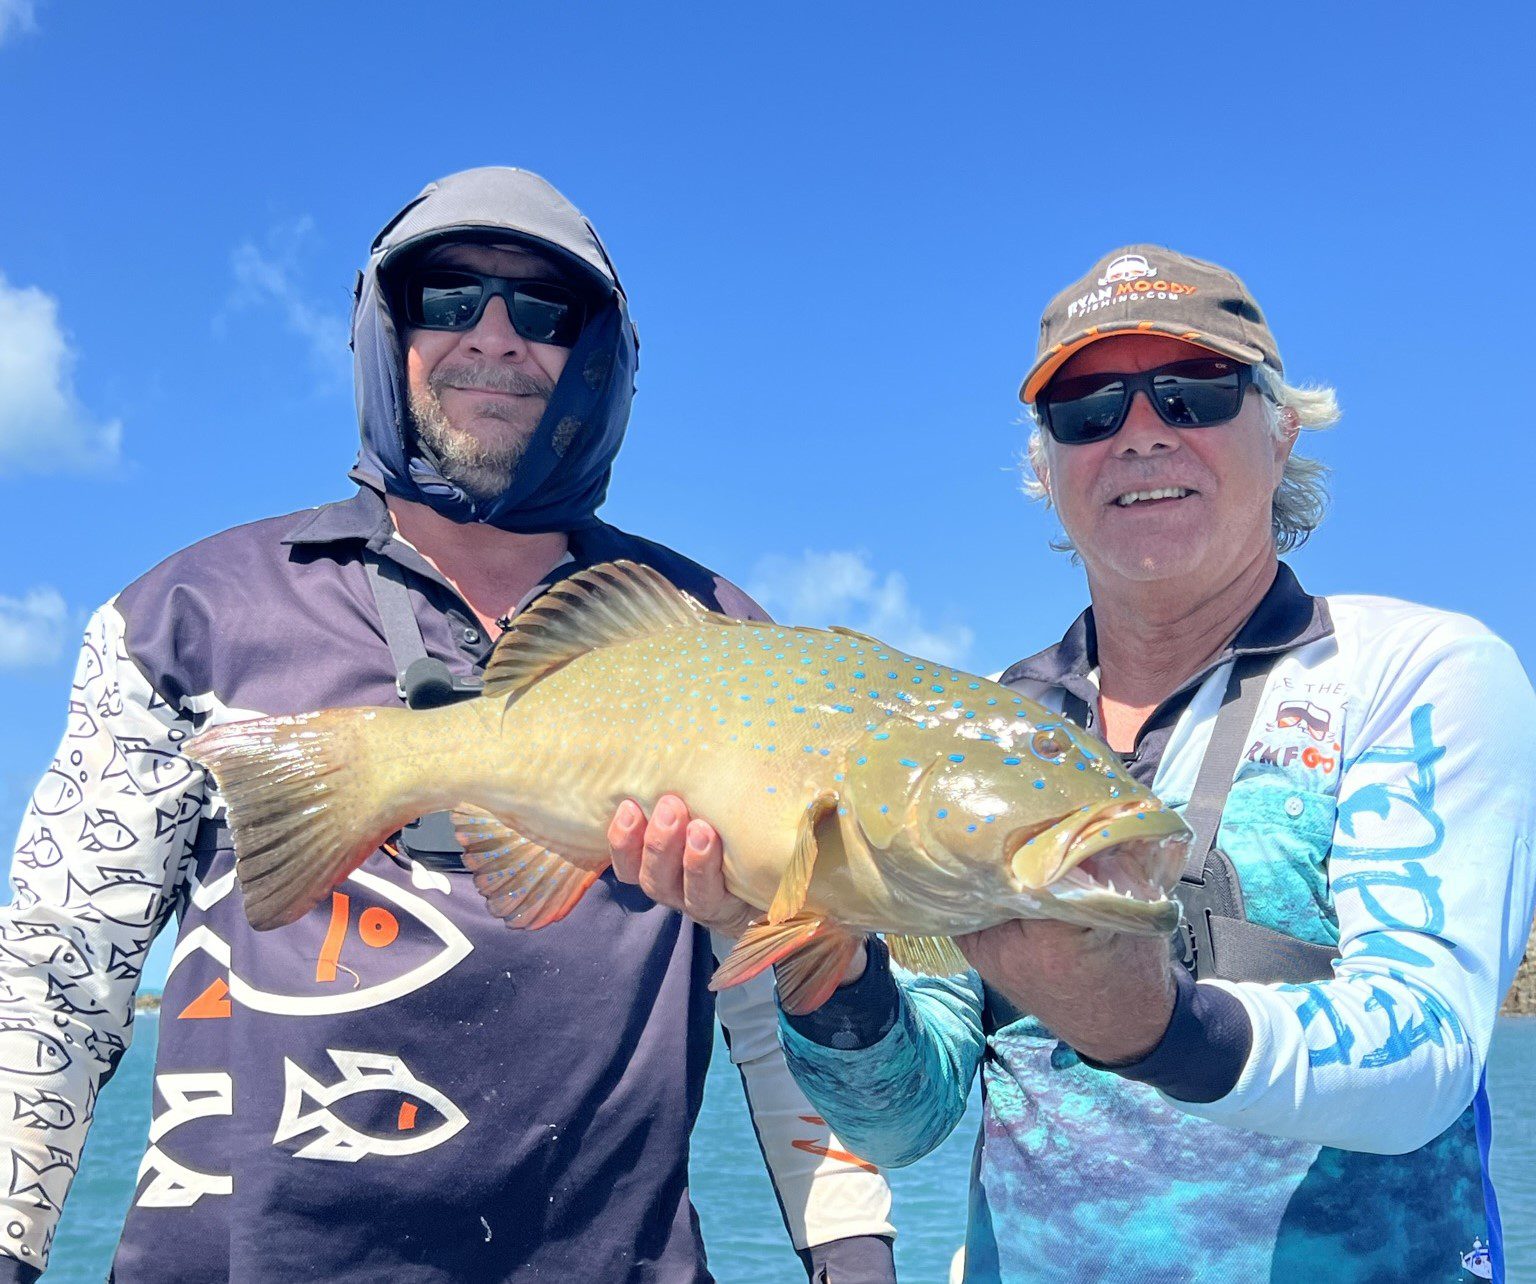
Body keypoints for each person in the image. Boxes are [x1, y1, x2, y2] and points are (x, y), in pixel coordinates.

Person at [0, 167, 897, 1282]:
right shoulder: (183, 617)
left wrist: (853, 1256)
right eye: (448, 299)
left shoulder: (716, 637)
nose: (495, 337)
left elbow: (771, 1009)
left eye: (542, 311)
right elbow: (58, 967)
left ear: (600, 357)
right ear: (386, 334)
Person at [618, 246, 1536, 1281]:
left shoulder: (1417, 672)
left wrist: (1156, 1026)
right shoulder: (980, 733)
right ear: (1047, 470)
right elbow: (904, 1118)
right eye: (1088, 411)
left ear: (1281, 432)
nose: (1141, 434)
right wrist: (814, 959)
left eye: (1193, 393)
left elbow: (1425, 1056)